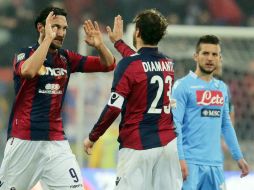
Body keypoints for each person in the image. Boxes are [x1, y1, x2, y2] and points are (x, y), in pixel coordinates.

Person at [0, 6, 116, 190]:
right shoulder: (24, 54)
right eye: (55, 27)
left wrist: (100, 45)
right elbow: (29, 72)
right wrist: (47, 39)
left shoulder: (66, 58)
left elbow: (109, 64)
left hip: (56, 142)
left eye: (64, 28)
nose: (61, 33)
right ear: (41, 28)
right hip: (24, 140)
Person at [84, 9, 182, 190]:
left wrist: (93, 137)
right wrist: (118, 43)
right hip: (168, 146)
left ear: (137, 32)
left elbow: (114, 107)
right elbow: (140, 63)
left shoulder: (129, 65)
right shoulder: (168, 64)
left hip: (137, 146)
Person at [172, 35, 249, 190]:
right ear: (196, 56)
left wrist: (238, 156)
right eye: (205, 53)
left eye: (214, 54)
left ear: (220, 58)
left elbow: (226, 124)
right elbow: (175, 125)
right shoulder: (182, 86)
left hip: (215, 164)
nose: (210, 58)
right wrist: (180, 159)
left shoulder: (222, 88)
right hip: (190, 162)